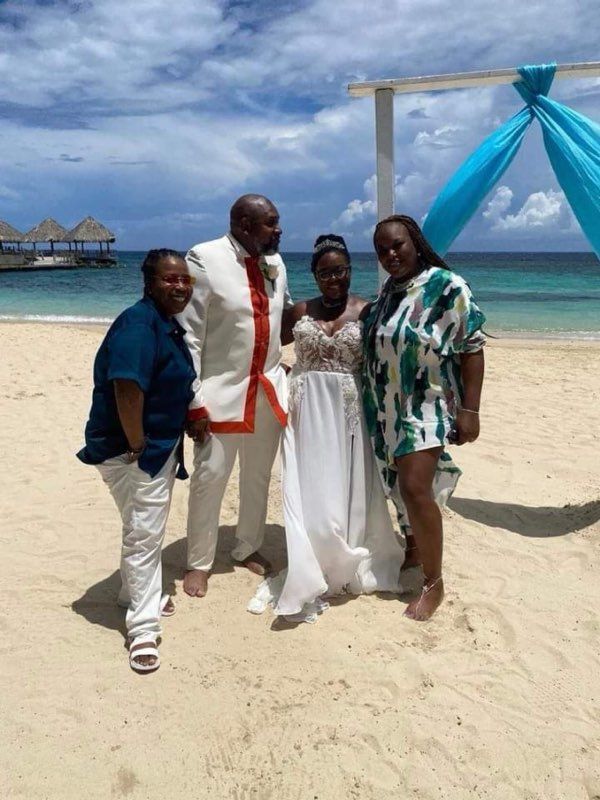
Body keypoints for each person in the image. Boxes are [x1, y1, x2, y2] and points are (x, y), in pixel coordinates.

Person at [249, 234, 405, 622]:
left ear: (350, 271)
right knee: (309, 482)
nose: (333, 279)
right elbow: (264, 343)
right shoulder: (300, 309)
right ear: (314, 276)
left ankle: (345, 549)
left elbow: (387, 359)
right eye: (324, 273)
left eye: (339, 271)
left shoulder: (368, 311)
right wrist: (279, 375)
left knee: (346, 479)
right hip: (305, 409)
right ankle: (312, 553)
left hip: (348, 409)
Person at [77, 249, 196, 672]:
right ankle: (143, 629)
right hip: (137, 451)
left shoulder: (163, 323)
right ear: (149, 281)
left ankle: (132, 592)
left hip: (142, 447)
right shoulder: (138, 325)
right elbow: (127, 386)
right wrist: (138, 444)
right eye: (170, 279)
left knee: (136, 527)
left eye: (185, 279)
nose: (180, 286)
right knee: (146, 535)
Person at [362, 215, 486, 622]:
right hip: (385, 404)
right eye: (382, 249)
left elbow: (472, 347)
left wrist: (470, 410)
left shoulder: (446, 287)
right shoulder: (388, 293)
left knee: (416, 488)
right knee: (394, 480)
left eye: (397, 245)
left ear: (415, 241)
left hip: (426, 403)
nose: (390, 254)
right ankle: (413, 548)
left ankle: (434, 582)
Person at [178, 194, 292, 598]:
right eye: (271, 223)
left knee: (258, 476)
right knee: (210, 478)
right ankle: (199, 562)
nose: (279, 230)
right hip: (219, 393)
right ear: (244, 224)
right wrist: (193, 401)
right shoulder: (203, 258)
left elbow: (283, 318)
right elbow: (189, 335)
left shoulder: (276, 263)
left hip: (268, 390)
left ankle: (247, 547)